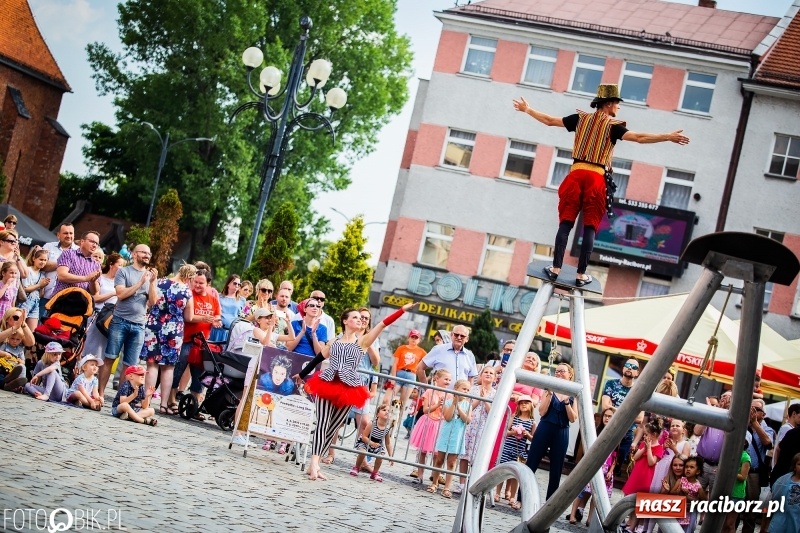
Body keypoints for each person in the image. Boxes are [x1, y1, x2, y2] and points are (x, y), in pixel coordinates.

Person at [512, 85, 690, 286]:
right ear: (608, 104)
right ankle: (580, 275)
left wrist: (528, 110)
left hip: (576, 174)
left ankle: (555, 269)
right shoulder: (614, 126)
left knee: (566, 223)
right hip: (596, 178)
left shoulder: (580, 119)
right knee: (590, 225)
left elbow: (549, 121)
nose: (619, 108)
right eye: (617, 103)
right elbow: (639, 138)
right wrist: (667, 136)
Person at [294, 302, 417, 481]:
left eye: (361, 318)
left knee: (333, 427)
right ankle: (313, 463)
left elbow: (383, 324)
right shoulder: (335, 341)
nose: (360, 320)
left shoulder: (363, 341)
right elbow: (319, 358)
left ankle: (316, 462)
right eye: (355, 317)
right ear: (345, 321)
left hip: (348, 388)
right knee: (322, 423)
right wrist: (303, 374)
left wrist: (401, 311)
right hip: (327, 382)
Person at [98, 244, 157, 397]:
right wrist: (139, 283)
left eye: (149, 253)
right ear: (135, 254)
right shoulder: (123, 271)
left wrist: (151, 283)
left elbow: (153, 301)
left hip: (139, 325)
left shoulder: (150, 277)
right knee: (110, 357)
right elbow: (121, 294)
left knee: (130, 365)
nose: (147, 255)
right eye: (143, 252)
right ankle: (100, 394)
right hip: (120, 321)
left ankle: (120, 398)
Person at [141, 263, 196, 415]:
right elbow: (189, 317)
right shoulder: (186, 291)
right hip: (174, 329)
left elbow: (151, 302)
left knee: (152, 365)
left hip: (155, 325)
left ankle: (148, 400)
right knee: (168, 367)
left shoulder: (161, 282)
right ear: (189, 277)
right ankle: (164, 404)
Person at [170, 269, 221, 416]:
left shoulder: (213, 299)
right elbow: (188, 317)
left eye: (201, 283)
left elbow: (217, 314)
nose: (197, 285)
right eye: (195, 282)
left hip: (202, 343)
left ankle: (194, 405)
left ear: (208, 284)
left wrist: (216, 320)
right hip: (186, 339)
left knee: (199, 375)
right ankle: (171, 400)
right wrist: (205, 318)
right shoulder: (189, 294)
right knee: (178, 370)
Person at [525, 363, 578, 500]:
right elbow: (542, 411)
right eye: (557, 371)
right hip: (545, 426)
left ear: (570, 374)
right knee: (532, 461)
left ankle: (550, 502)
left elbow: (573, 418)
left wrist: (566, 403)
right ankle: (521, 497)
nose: (559, 373)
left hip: (562, 431)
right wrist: (549, 395)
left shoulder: (573, 393)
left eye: (562, 371)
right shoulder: (549, 389)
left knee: (556, 469)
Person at [569, 407, 617, 526]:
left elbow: (615, 457)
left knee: (596, 496)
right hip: (593, 466)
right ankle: (573, 514)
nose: (607, 418)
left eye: (610, 416)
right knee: (582, 491)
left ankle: (590, 519)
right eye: (605, 415)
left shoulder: (616, 434)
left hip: (605, 470)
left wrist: (611, 470)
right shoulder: (596, 432)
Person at [429, 379, 472, 499]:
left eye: (468, 390)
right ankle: (434, 482)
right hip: (446, 434)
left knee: (452, 462)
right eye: (464, 389)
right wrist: (454, 403)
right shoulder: (447, 402)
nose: (466, 391)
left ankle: (447, 487)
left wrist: (459, 408)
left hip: (457, 436)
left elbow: (467, 420)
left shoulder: (468, 405)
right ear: (456, 389)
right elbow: (447, 417)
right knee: (439, 459)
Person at [81, 253, 124, 372]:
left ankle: (94, 376)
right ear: (111, 264)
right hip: (97, 316)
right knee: (90, 346)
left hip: (110, 319)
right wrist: (113, 293)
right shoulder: (101, 278)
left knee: (103, 350)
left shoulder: (121, 283)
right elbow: (95, 297)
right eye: (120, 265)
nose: (122, 268)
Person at [457, 365, 496, 494]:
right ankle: (461, 483)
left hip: (483, 426)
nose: (488, 374)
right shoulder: (473, 389)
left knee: (477, 457)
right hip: (471, 424)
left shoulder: (496, 394)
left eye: (491, 373)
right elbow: (467, 407)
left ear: (495, 378)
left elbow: (493, 412)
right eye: (486, 372)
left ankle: (473, 483)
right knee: (464, 455)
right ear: (481, 375)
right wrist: (478, 399)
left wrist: (485, 400)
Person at [602, 358, 644, 475]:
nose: (630, 368)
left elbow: (640, 418)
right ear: (623, 368)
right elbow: (605, 407)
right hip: (608, 429)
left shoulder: (639, 391)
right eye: (628, 365)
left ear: (637, 373)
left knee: (616, 468)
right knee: (601, 462)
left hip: (626, 435)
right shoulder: (611, 383)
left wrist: (614, 409)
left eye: (634, 367)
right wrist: (628, 413)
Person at [409, 369, 452, 483]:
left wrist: (444, 408)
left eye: (449, 380)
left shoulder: (450, 395)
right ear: (436, 379)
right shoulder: (429, 392)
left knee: (437, 453)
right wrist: (437, 405)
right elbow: (425, 409)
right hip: (428, 422)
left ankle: (435, 477)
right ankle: (420, 475)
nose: (448, 381)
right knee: (423, 451)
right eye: (446, 379)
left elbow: (448, 412)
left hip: (440, 424)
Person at [621, 422, 665, 533]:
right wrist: (644, 448)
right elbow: (635, 458)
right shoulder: (642, 444)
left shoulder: (659, 448)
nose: (644, 436)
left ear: (654, 435)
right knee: (629, 497)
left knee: (640, 502)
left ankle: (636, 526)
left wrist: (649, 448)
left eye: (646, 434)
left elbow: (651, 462)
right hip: (636, 474)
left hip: (646, 477)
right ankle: (629, 521)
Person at [497, 394, 535, 510]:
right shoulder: (514, 417)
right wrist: (513, 432)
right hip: (508, 447)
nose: (523, 404)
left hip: (519, 451)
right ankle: (497, 492)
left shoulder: (532, 422)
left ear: (531, 406)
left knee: (515, 475)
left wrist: (527, 434)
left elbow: (533, 439)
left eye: (526, 402)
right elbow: (506, 432)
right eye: (521, 402)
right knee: (502, 471)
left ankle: (512, 496)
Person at [742, 398, 774, 533]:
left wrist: (755, 424)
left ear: (763, 414)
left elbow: (768, 444)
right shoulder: (742, 423)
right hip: (738, 471)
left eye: (757, 409)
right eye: (751, 408)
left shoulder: (767, 429)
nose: (752, 411)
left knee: (750, 511)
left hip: (753, 474)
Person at [694, 389, 731, 493]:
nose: (725, 399)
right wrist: (709, 412)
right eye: (723, 396)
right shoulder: (711, 415)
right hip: (702, 464)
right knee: (694, 494)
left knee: (714, 500)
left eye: (729, 398)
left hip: (719, 467)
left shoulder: (733, 420)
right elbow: (697, 431)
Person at [349, 403, 394, 482]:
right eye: (384, 410)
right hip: (366, 441)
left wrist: (391, 456)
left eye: (389, 411)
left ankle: (375, 473)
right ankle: (356, 467)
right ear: (377, 414)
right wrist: (371, 443)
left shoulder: (387, 428)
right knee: (362, 452)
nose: (387, 412)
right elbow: (364, 436)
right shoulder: (372, 423)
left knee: (381, 456)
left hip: (377, 444)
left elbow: (388, 443)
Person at [41, 224, 78, 315]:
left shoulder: (79, 252)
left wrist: (54, 264)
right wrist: (64, 264)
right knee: (37, 326)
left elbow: (76, 272)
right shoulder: (48, 247)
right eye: (65, 233)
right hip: (44, 295)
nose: (68, 236)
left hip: (63, 299)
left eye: (71, 233)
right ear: (58, 235)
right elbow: (41, 265)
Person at [51, 231, 102, 295]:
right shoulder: (69, 253)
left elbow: (94, 292)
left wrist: (93, 281)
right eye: (92, 241)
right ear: (82, 241)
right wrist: (85, 278)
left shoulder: (96, 265)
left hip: (81, 302)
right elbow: (61, 276)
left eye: (97, 243)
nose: (94, 245)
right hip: (62, 299)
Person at [388, 329, 427, 407]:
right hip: (399, 374)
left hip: (411, 375)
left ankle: (398, 419)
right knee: (387, 399)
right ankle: (383, 417)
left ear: (419, 340)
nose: (414, 339)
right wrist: (393, 378)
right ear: (408, 338)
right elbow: (395, 364)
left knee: (402, 403)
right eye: (412, 337)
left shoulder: (422, 352)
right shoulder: (401, 348)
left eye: (416, 338)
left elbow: (426, 364)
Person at [764, 452, 800, 533]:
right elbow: (770, 502)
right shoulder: (783, 481)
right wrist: (765, 524)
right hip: (779, 520)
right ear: (794, 466)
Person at [722, 441, 751, 533]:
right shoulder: (729, 454)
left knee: (729, 524)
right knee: (722, 523)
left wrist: (728, 471)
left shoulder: (745, 457)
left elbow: (743, 477)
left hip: (736, 494)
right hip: (725, 491)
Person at [19, 247, 50, 331]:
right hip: (25, 302)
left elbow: (40, 295)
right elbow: (25, 289)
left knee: (32, 331)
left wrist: (42, 287)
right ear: (34, 259)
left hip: (35, 303)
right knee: (17, 326)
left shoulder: (42, 275)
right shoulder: (28, 271)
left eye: (45, 260)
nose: (42, 262)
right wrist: (39, 285)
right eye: (41, 259)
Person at [210, 274, 245, 343]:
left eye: (239, 284)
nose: (237, 286)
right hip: (217, 330)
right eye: (235, 283)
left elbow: (241, 315)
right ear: (228, 284)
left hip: (231, 333)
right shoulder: (218, 296)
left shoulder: (242, 300)